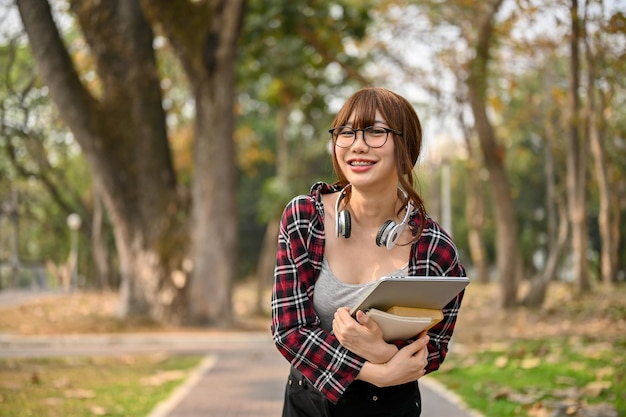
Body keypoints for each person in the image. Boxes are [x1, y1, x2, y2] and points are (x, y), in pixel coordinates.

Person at [271, 86, 466, 417]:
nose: (357, 145)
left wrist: (377, 348)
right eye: (346, 132)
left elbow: (435, 348)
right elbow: (289, 329)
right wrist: (377, 370)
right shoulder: (304, 218)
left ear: (406, 147)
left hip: (391, 408)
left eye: (375, 131)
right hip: (309, 402)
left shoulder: (435, 248)